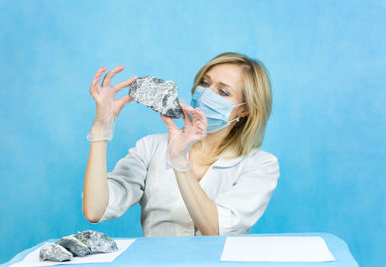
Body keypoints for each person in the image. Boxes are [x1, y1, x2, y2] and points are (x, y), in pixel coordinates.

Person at [82, 52, 280, 236]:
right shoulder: (151, 147)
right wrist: (102, 129)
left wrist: (179, 162)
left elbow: (216, 229)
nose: (206, 94)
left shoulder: (261, 165)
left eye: (223, 92)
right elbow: (94, 210)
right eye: (204, 82)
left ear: (244, 110)